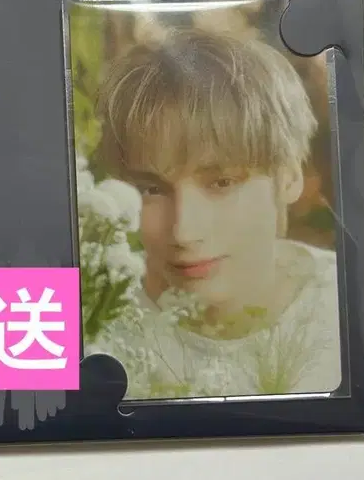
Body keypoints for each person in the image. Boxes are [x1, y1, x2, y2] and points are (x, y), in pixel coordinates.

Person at [87, 25, 342, 399]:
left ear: (288, 177)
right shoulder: (91, 315)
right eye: (152, 189)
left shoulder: (351, 309)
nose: (184, 231)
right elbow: (13, 417)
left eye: (221, 183)